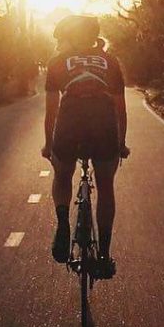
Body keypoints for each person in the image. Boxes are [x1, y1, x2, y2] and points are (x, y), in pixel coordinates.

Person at [41, 15, 129, 278]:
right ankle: (103, 254)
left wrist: (49, 145)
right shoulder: (111, 62)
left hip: (70, 119)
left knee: (62, 173)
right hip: (103, 121)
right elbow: (120, 109)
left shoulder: (57, 62)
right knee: (105, 185)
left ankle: (62, 224)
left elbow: (51, 113)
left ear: (68, 37)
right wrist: (121, 143)